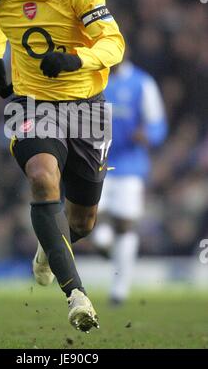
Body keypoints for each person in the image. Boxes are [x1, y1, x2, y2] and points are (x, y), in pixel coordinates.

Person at [0, 0, 125, 332]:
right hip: (31, 103)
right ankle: (76, 295)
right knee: (42, 177)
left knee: (82, 223)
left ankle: (50, 248)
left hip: (87, 107)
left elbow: (114, 42)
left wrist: (76, 58)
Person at [92, 58, 167, 305]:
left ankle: (119, 289)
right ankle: (102, 239)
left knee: (124, 224)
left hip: (129, 166)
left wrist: (149, 135)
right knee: (91, 217)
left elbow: (158, 125)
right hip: (95, 161)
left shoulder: (141, 83)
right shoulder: (91, 79)